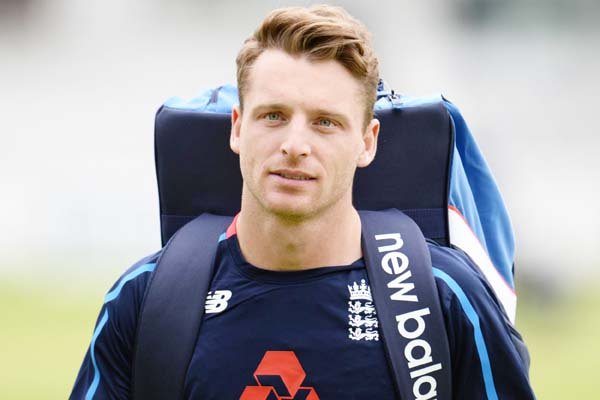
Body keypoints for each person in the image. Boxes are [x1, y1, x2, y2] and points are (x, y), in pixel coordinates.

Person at [70, 5, 535, 399]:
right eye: (273, 116)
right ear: (238, 127)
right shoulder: (146, 298)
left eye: (325, 122)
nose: (295, 145)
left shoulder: (443, 295)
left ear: (367, 142)